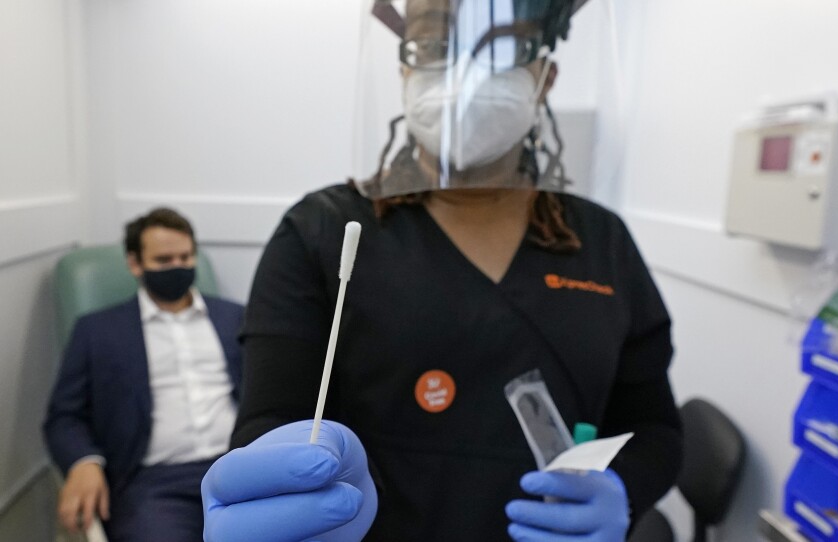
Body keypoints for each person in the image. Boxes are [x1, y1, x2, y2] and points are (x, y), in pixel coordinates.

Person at [202, 0, 682, 541]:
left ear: (544, 78)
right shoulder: (324, 231)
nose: (465, 71)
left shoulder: (603, 242)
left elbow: (656, 428)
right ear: (405, 73)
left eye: (503, 46)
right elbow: (271, 418)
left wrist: (622, 489)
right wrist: (288, 491)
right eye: (433, 46)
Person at [44, 208, 244, 541]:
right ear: (135, 263)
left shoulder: (235, 317)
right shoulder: (97, 331)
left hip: (238, 469)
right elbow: (64, 416)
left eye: (185, 257)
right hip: (153, 485)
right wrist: (83, 462)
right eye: (164, 260)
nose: (177, 267)